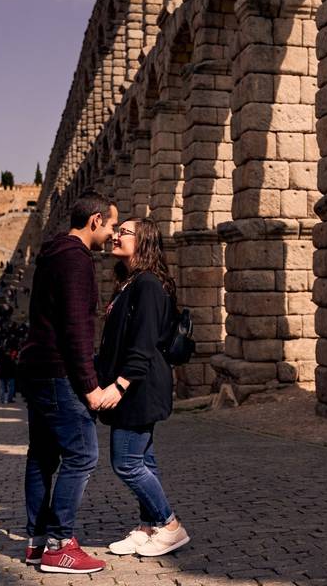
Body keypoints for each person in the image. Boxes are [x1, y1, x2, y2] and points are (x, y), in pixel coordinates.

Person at [17, 191, 122, 574]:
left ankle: (36, 542)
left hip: (38, 369)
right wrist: (91, 387)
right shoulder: (77, 260)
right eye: (111, 225)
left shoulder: (52, 254)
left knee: (42, 456)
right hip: (59, 372)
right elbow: (77, 327)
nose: (113, 234)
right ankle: (61, 544)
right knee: (82, 455)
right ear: (95, 221)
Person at [96, 218, 190, 557]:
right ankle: (148, 526)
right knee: (143, 460)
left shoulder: (148, 284)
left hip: (139, 386)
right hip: (133, 384)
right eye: (117, 229)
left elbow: (144, 343)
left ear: (145, 241)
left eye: (125, 232)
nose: (116, 235)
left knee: (126, 463)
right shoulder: (130, 282)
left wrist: (119, 386)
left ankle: (169, 525)